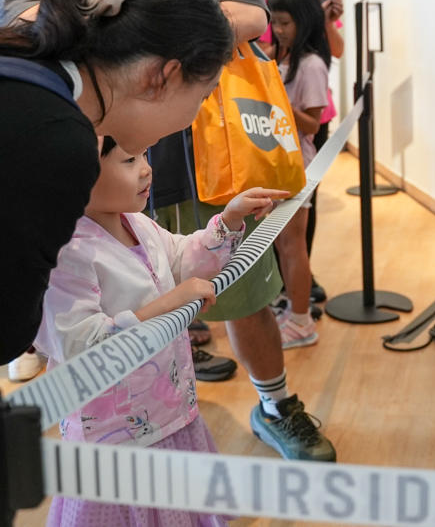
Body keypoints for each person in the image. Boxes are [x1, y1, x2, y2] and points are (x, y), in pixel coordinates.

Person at [0, 0, 335, 461]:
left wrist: (109, 21)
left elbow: (250, 13)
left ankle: (274, 401)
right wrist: (166, 25)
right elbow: (19, 19)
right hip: (93, 160)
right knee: (107, 290)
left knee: (237, 280)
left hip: (209, 141)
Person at [0, 0, 233, 369]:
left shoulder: (6, 58)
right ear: (163, 76)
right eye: (204, 95)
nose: (195, 116)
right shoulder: (55, 140)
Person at [34, 136, 284, 526]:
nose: (147, 168)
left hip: (172, 413)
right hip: (114, 440)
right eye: (130, 159)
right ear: (76, 175)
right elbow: (81, 345)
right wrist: (170, 302)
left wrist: (229, 220)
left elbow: (185, 257)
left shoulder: (138, 224)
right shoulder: (68, 255)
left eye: (145, 155)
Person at [264, 0, 342, 304]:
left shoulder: (310, 62)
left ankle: (297, 305)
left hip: (300, 145)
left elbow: (310, 119)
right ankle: (290, 297)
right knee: (284, 236)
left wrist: (327, 20)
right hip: (279, 144)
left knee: (295, 236)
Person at [268, 0, 330, 348]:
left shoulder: (310, 65)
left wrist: (277, 103)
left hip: (298, 164)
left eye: (285, 23)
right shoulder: (283, 58)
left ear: (304, 21)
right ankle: (292, 310)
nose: (278, 30)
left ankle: (303, 322)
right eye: (274, 22)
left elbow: (313, 124)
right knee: (283, 245)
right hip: (278, 160)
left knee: (293, 246)